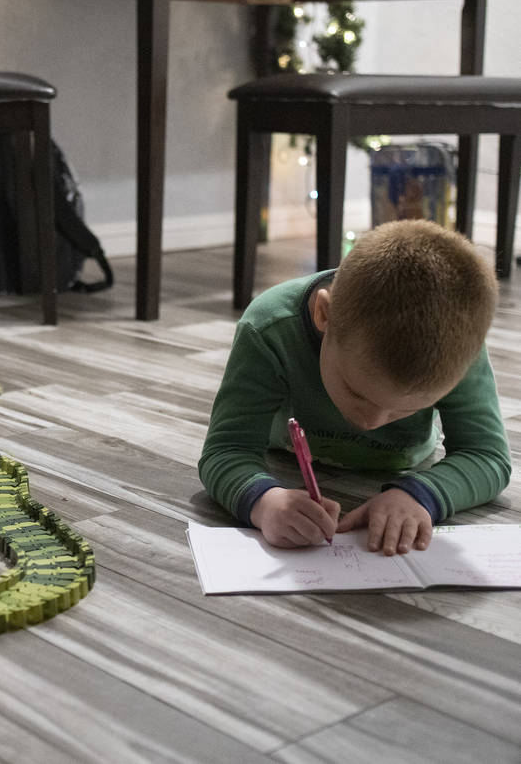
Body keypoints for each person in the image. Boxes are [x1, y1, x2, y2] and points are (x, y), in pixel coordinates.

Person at [199, 219, 511, 556]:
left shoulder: (457, 349)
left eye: (407, 408)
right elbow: (226, 449)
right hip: (285, 462)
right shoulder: (269, 329)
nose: (371, 421)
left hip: (405, 469)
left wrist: (421, 494)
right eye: (357, 393)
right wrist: (264, 501)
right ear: (324, 314)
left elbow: (488, 456)